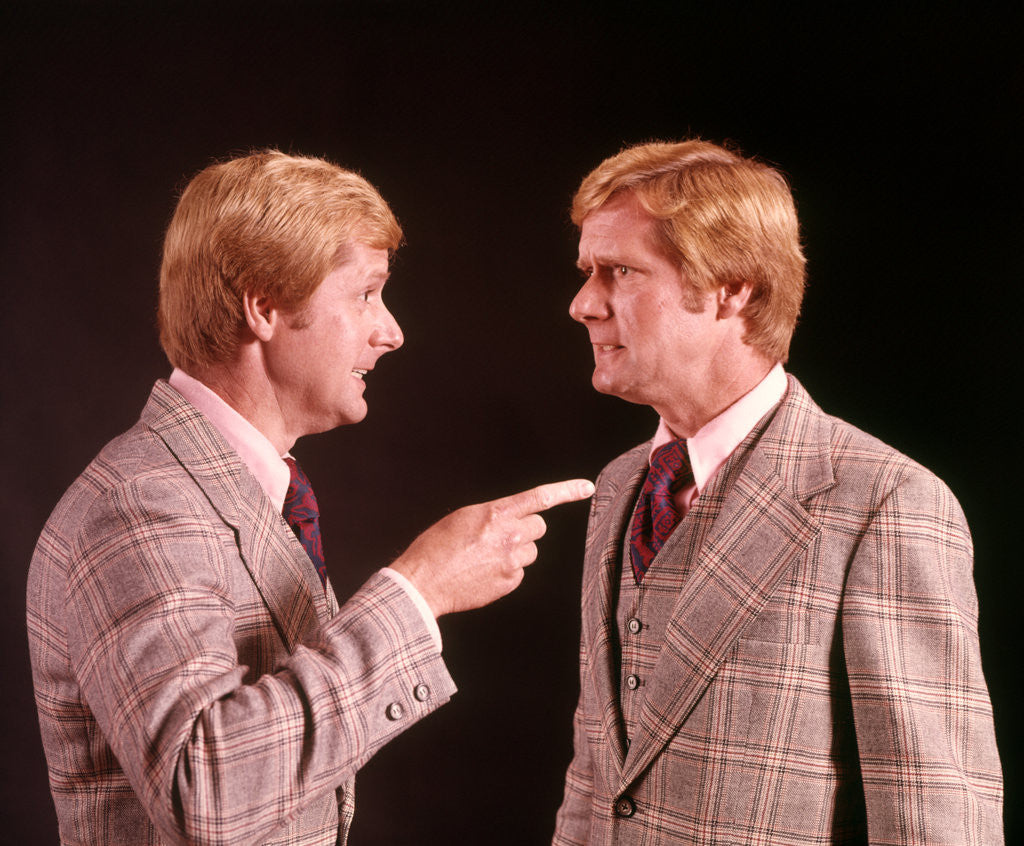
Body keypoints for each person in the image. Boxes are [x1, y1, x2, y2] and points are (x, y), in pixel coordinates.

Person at [26, 149, 593, 845]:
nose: (391, 331)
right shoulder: (142, 506)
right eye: (364, 293)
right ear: (263, 306)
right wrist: (418, 592)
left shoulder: (243, 488)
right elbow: (208, 793)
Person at [552, 139, 1002, 844]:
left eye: (619, 272)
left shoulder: (885, 502)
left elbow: (934, 816)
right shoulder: (617, 489)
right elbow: (598, 778)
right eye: (587, 272)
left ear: (734, 287)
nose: (583, 303)